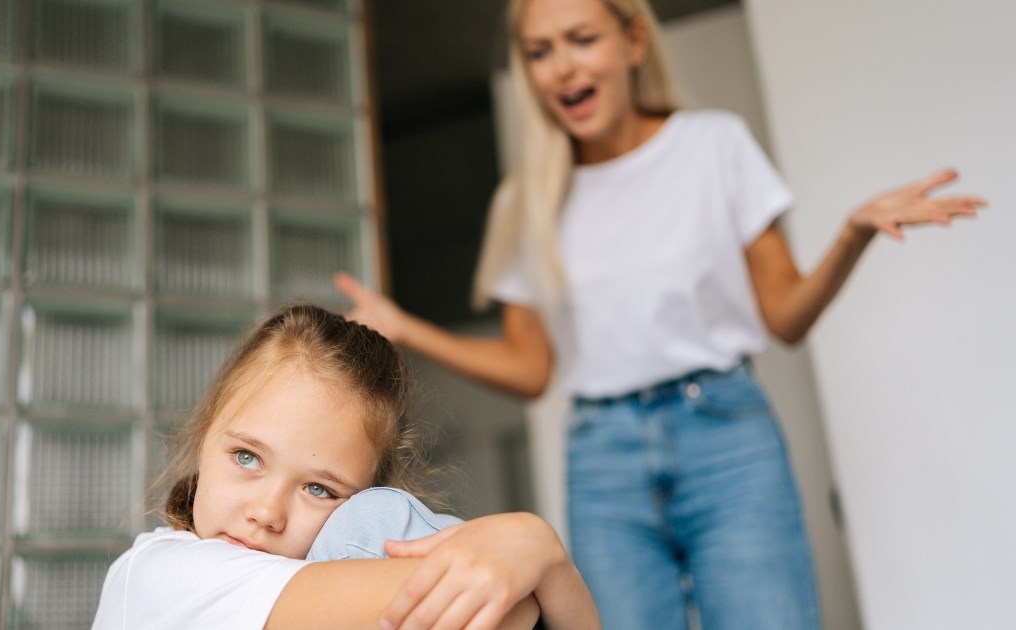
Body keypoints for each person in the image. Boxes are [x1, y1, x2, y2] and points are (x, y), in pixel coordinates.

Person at [333, 0, 989, 627]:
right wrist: (407, 328)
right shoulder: (526, 200)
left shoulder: (714, 147)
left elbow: (786, 317)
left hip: (728, 439)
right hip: (603, 460)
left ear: (633, 42)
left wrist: (852, 234)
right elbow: (530, 368)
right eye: (539, 51)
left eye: (582, 40)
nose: (562, 67)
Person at [91, 304, 600, 630]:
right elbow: (511, 611)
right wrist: (537, 556)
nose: (267, 512)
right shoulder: (158, 575)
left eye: (319, 489)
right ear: (204, 436)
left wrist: (546, 556)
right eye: (247, 457)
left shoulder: (348, 547)